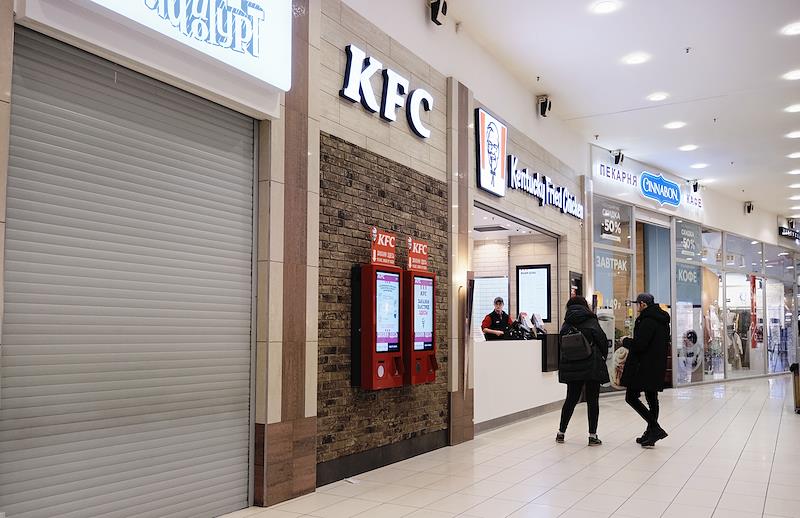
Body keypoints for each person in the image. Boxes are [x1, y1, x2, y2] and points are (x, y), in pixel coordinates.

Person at [556, 296, 610, 446]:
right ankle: (592, 436)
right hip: (591, 365)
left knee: (571, 399)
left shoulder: (566, 323)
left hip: (572, 365)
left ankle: (561, 433)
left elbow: (562, 344)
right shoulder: (591, 321)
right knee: (592, 401)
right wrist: (602, 356)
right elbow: (602, 341)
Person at [621, 293, 670, 448]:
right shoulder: (662, 319)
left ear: (643, 304)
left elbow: (640, 345)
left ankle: (655, 429)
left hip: (643, 366)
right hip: (656, 365)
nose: (637, 307)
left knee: (631, 397)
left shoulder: (647, 320)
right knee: (652, 398)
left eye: (637, 304)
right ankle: (650, 433)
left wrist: (625, 341)